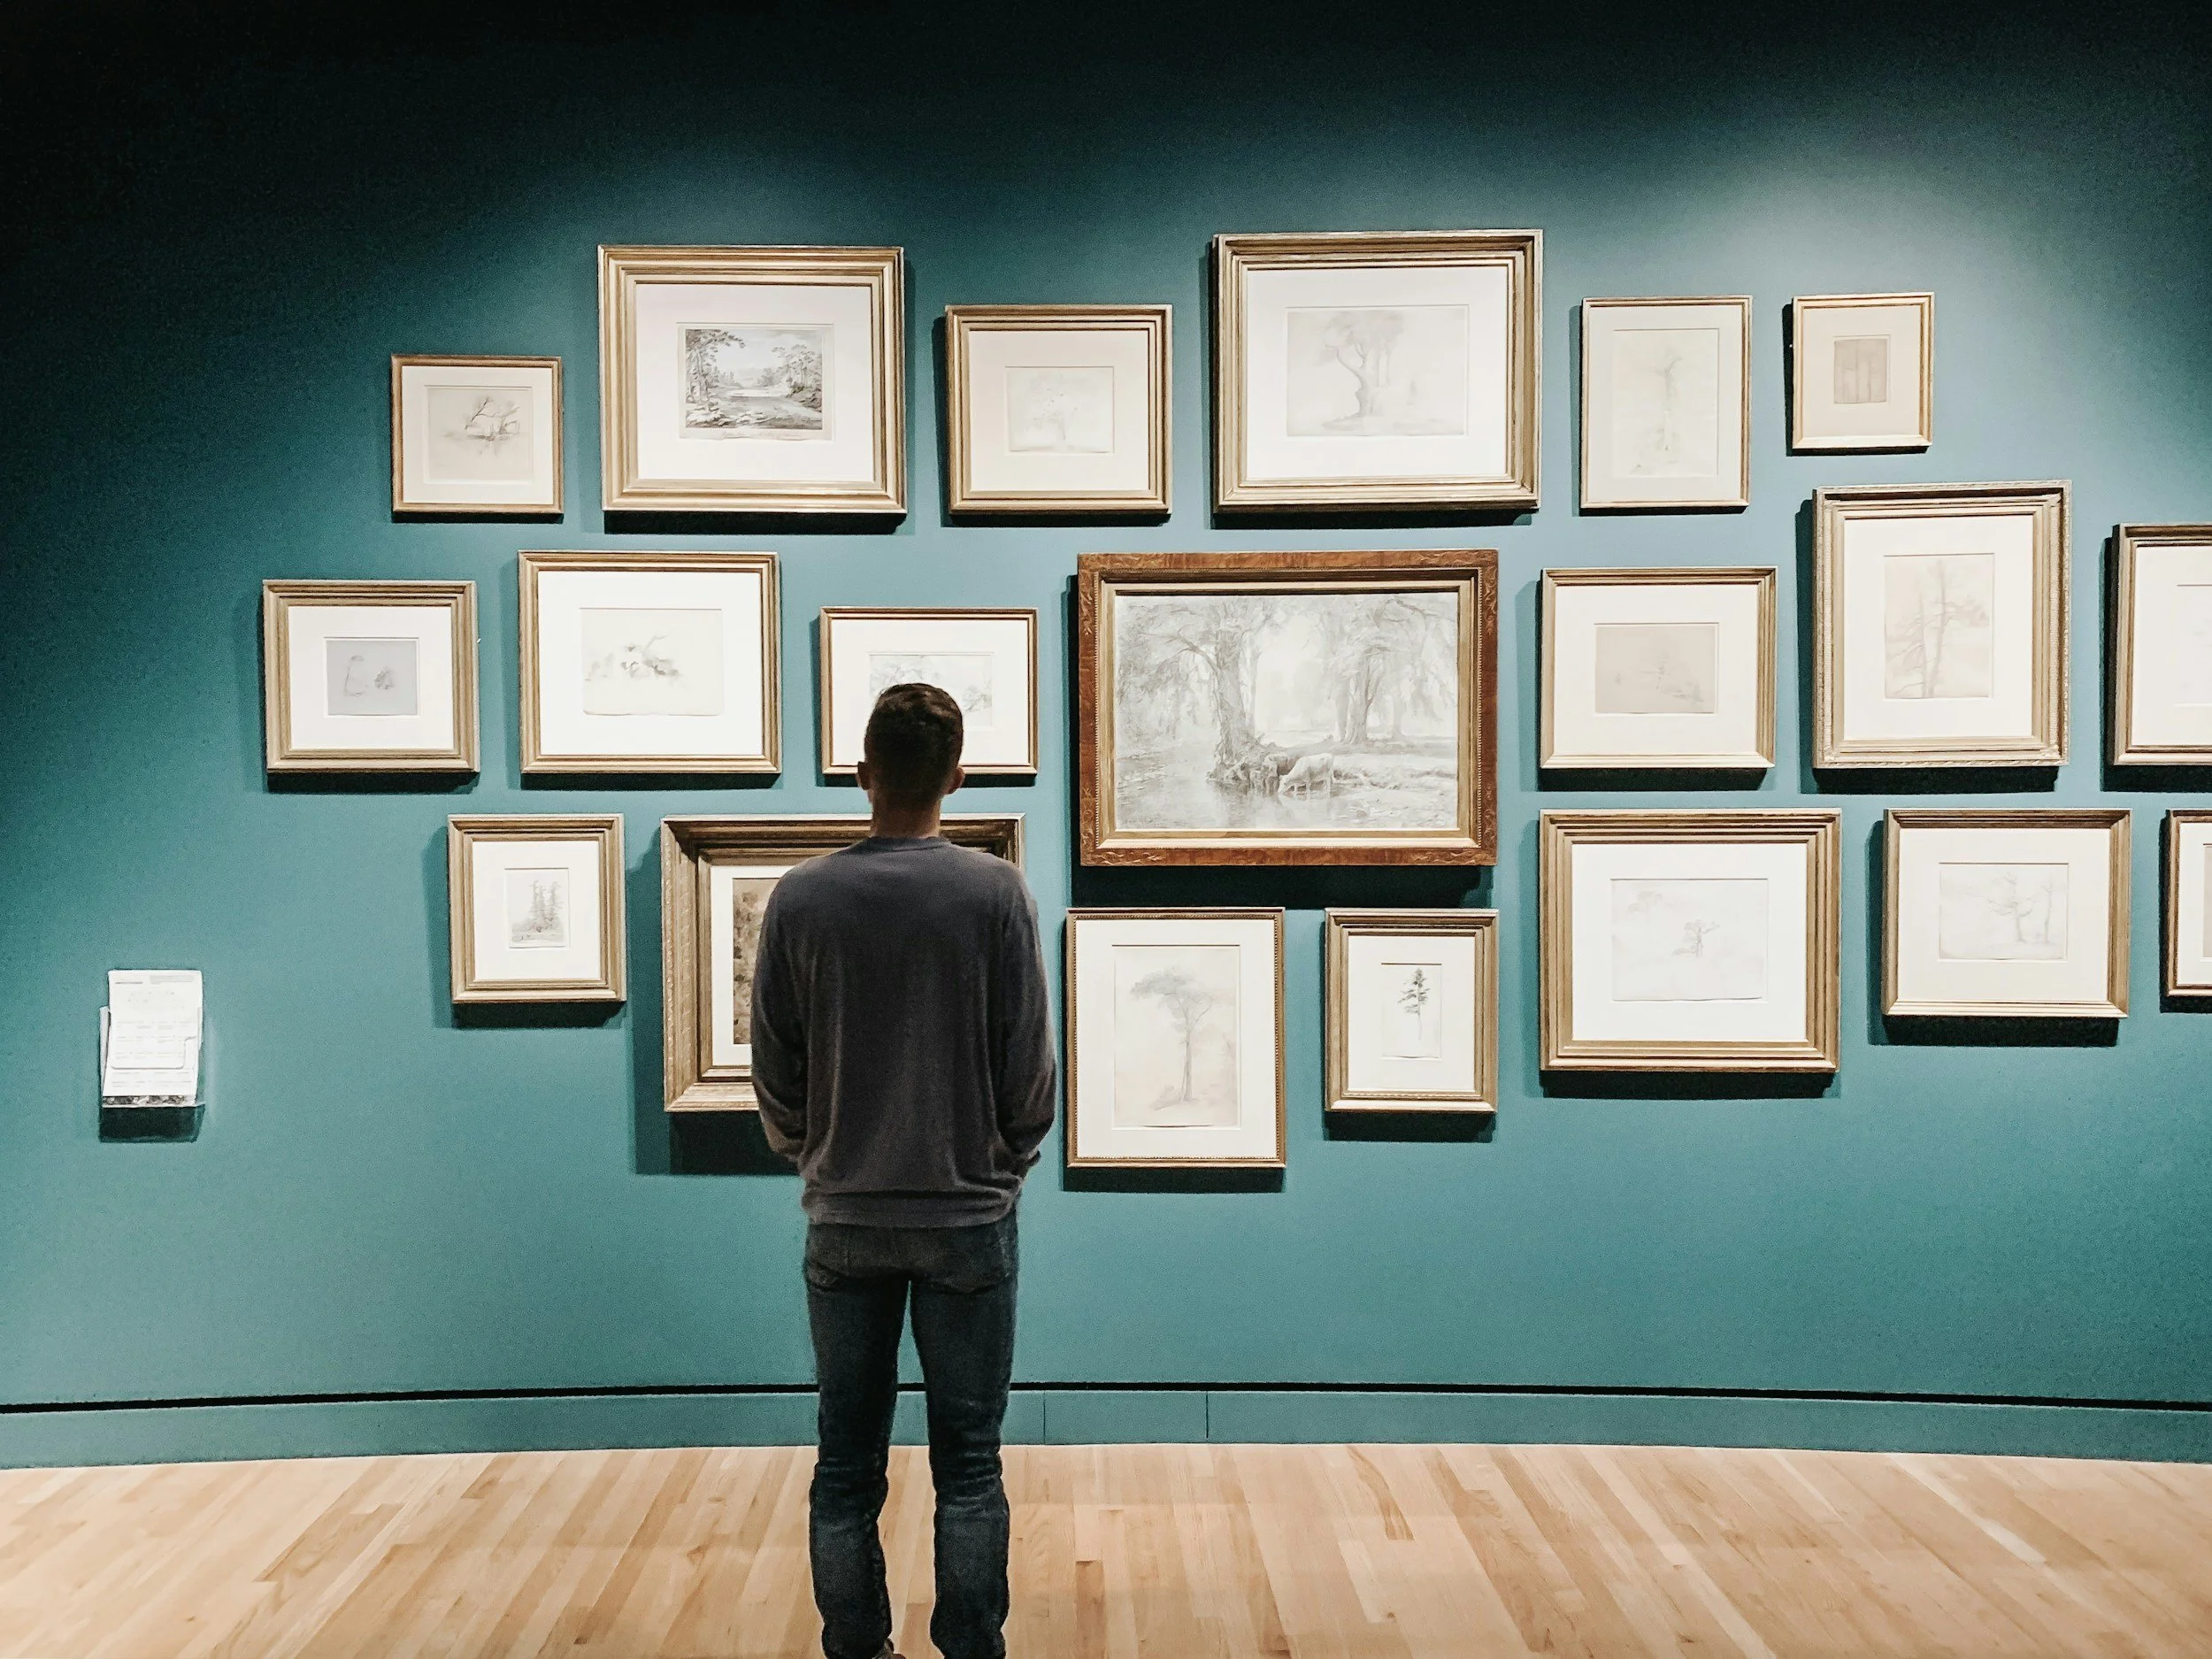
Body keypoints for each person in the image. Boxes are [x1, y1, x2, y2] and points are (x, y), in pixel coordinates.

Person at [750, 681, 1058, 1659]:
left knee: (846, 1462)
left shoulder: (802, 897)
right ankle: (971, 1647)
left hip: (844, 1218)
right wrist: (1003, 1162)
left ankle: (856, 1647)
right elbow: (1030, 1066)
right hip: (969, 1217)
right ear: (957, 779)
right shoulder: (994, 892)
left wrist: (820, 1154)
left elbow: (773, 1065)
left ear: (861, 775)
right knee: (970, 1462)